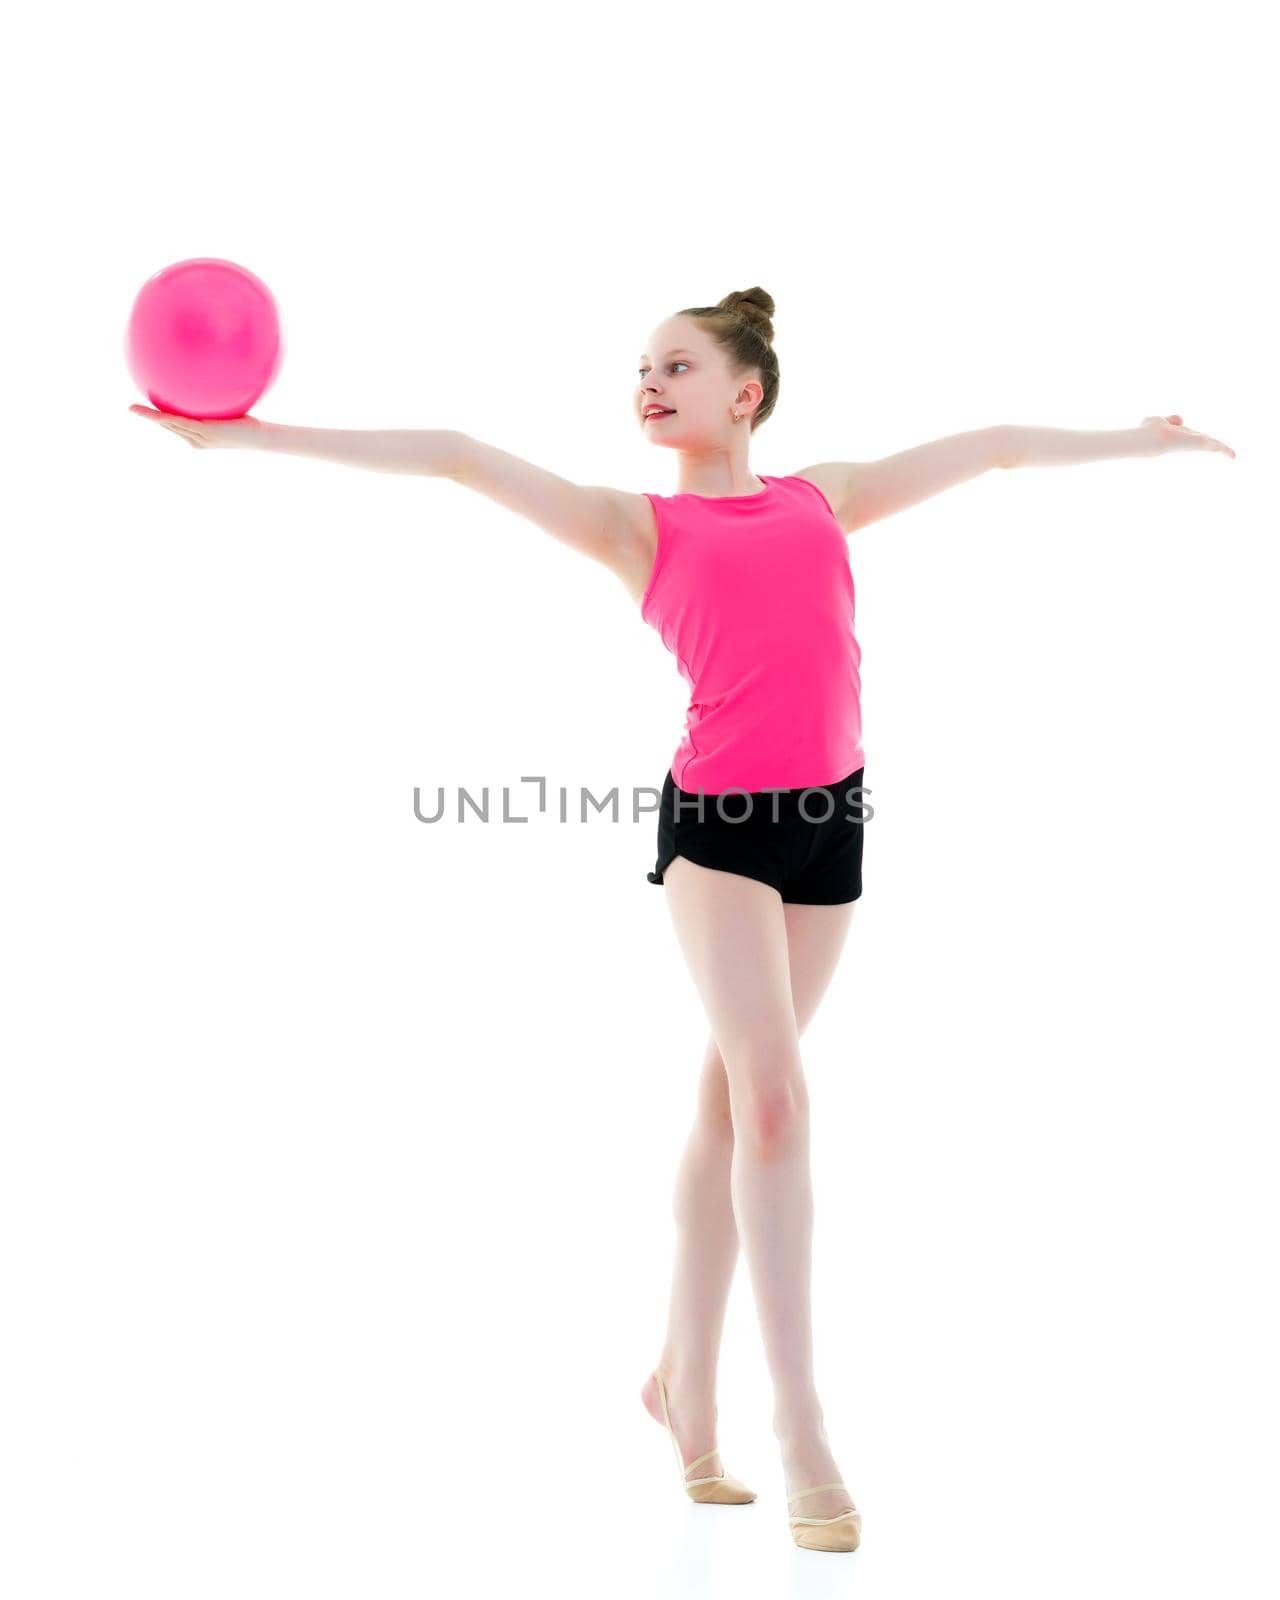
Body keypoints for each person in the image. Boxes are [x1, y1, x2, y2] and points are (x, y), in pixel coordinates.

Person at [131, 285, 1235, 1555]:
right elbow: (450, 455)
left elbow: (987, 446)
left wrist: (1140, 439)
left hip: (830, 822)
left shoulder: (822, 497)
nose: (646, 384)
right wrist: (243, 437)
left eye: (674, 365)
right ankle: (801, 1423)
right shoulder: (631, 527)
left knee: (730, 1108)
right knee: (772, 1100)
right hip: (716, 836)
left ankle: (676, 1387)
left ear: (743, 392)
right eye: (638, 369)